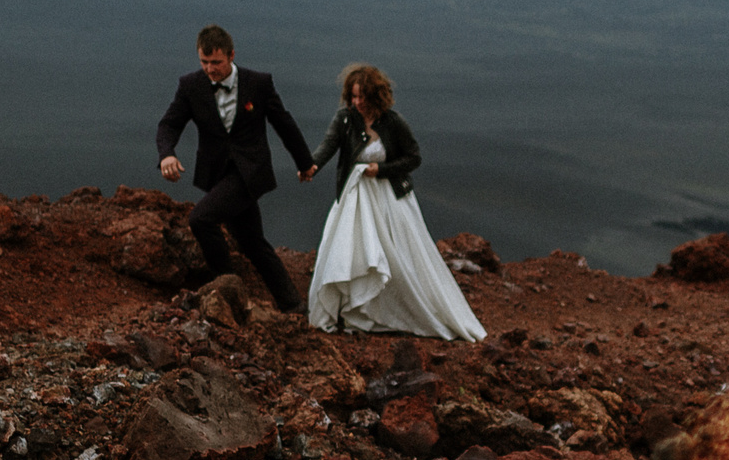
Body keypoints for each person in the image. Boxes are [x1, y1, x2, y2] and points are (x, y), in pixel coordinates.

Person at [308, 63, 486, 341]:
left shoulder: (393, 122)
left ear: (375, 96)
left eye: (362, 97)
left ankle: (397, 309)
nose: (356, 103)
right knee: (351, 251)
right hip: (356, 197)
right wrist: (311, 167)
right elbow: (328, 146)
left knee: (398, 253)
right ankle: (355, 311)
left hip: (389, 198)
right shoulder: (344, 118)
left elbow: (413, 157)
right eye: (353, 97)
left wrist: (381, 170)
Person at [155, 25, 316, 313]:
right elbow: (169, 124)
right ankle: (293, 305)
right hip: (217, 173)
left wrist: (304, 163)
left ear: (231, 56)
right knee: (252, 242)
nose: (209, 69)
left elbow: (284, 123)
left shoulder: (259, 83)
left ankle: (227, 289)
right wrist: (167, 154)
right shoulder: (191, 85)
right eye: (204, 62)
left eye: (215, 62)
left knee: (201, 219)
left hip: (249, 172)